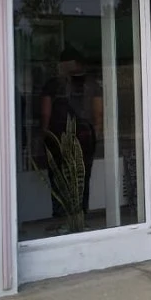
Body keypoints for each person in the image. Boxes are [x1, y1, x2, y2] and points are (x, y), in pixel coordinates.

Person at [41, 45, 103, 218]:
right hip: (85, 136)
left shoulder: (52, 84)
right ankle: (81, 215)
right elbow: (98, 113)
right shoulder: (92, 84)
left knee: (58, 177)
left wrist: (45, 134)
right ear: (79, 64)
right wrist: (96, 133)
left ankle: (61, 216)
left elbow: (45, 113)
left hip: (57, 137)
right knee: (83, 177)